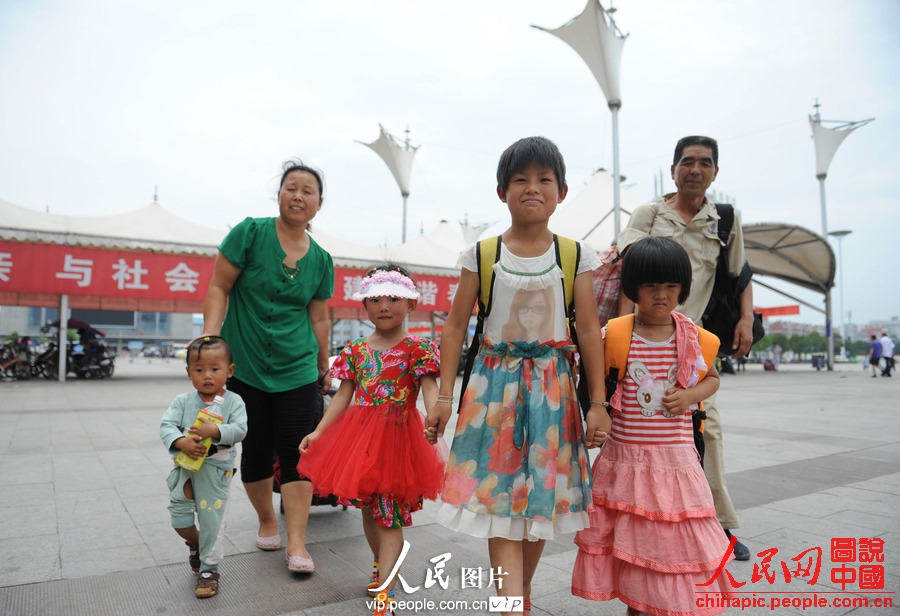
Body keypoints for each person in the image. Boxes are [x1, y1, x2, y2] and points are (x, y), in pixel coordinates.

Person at [426, 136, 610, 616]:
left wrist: (598, 403)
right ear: (501, 192)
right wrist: (444, 396)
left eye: (544, 179)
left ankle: (517, 598)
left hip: (554, 392)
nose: (532, 188)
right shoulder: (482, 254)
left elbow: (589, 329)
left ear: (562, 191)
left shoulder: (575, 255)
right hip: (492, 392)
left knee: (539, 504)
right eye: (520, 180)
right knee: (497, 503)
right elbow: (453, 327)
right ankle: (511, 604)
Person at [572, 237, 733, 615]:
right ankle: (639, 606)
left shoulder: (694, 338)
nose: (661, 295)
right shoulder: (615, 336)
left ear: (683, 288)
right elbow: (594, 385)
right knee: (634, 551)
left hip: (675, 466)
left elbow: (712, 379)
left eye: (670, 286)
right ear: (633, 288)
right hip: (624, 465)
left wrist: (692, 395)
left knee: (671, 548)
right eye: (650, 286)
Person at [617, 136, 753, 560]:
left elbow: (741, 274)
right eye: (688, 162)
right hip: (643, 337)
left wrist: (747, 318)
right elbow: (627, 271)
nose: (696, 169)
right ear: (674, 169)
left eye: (705, 163)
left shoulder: (725, 220)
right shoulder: (650, 214)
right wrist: (621, 335)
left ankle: (718, 524)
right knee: (635, 433)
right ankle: (635, 517)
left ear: (715, 172)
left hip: (690, 343)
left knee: (706, 428)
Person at [202, 160, 334, 573]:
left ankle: (297, 541)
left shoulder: (322, 259)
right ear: (279, 195)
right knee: (255, 448)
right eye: (290, 188)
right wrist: (210, 341)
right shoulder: (250, 233)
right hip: (246, 367)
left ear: (318, 204)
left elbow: (319, 317)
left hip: (297, 369)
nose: (298, 195)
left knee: (299, 452)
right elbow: (219, 286)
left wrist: (322, 362)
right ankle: (265, 520)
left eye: (307, 190)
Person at [298, 265, 445, 615]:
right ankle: (380, 563)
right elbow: (342, 395)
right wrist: (319, 432)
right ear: (364, 304)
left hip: (399, 440)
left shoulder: (419, 348)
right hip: (360, 440)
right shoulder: (356, 351)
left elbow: (428, 388)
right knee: (368, 509)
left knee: (389, 515)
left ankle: (386, 590)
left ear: (411, 303)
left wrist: (435, 417)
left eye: (394, 298)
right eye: (375, 299)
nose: (384, 306)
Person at [159, 336, 248, 598]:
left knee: (211, 521)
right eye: (199, 370)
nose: (207, 376)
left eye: (215, 369)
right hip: (185, 470)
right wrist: (180, 441)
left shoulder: (234, 402)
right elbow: (166, 425)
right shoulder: (182, 402)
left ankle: (209, 570)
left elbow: (241, 429)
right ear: (189, 373)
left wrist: (216, 430)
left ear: (229, 371)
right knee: (180, 518)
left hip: (215, 472)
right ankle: (196, 544)